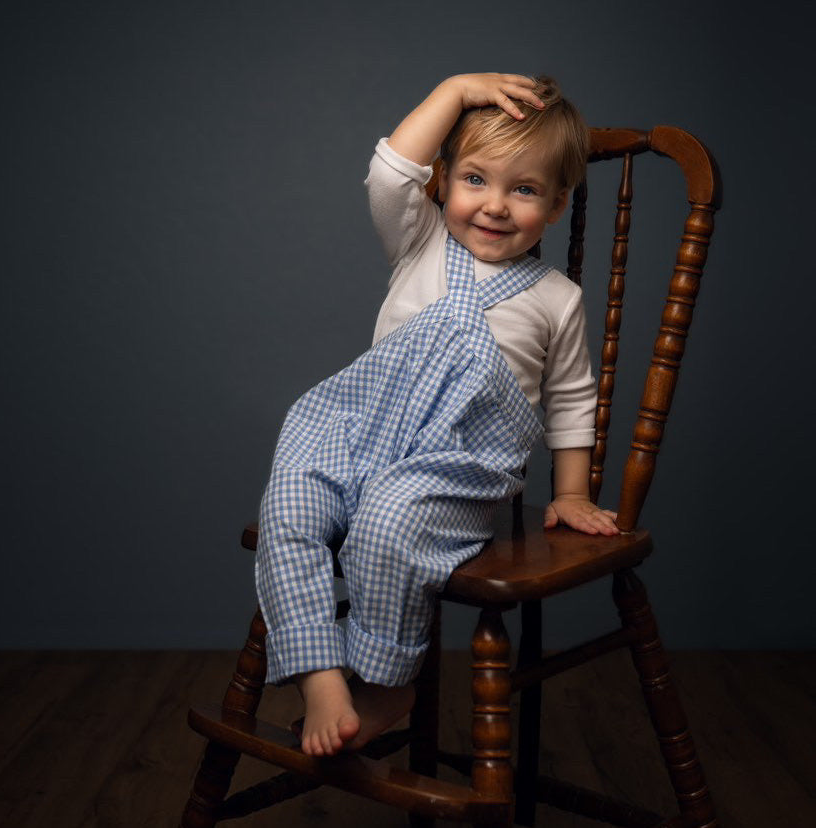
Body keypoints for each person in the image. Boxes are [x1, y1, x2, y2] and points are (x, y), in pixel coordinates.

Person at [255, 73, 618, 758]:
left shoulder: (555, 298)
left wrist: (570, 491)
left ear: (558, 203)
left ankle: (388, 681)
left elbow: (571, 399)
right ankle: (318, 671)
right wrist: (455, 91)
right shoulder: (418, 242)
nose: (496, 206)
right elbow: (390, 170)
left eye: (526, 190)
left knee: (390, 519)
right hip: (356, 436)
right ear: (442, 182)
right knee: (289, 511)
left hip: (451, 470)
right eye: (476, 180)